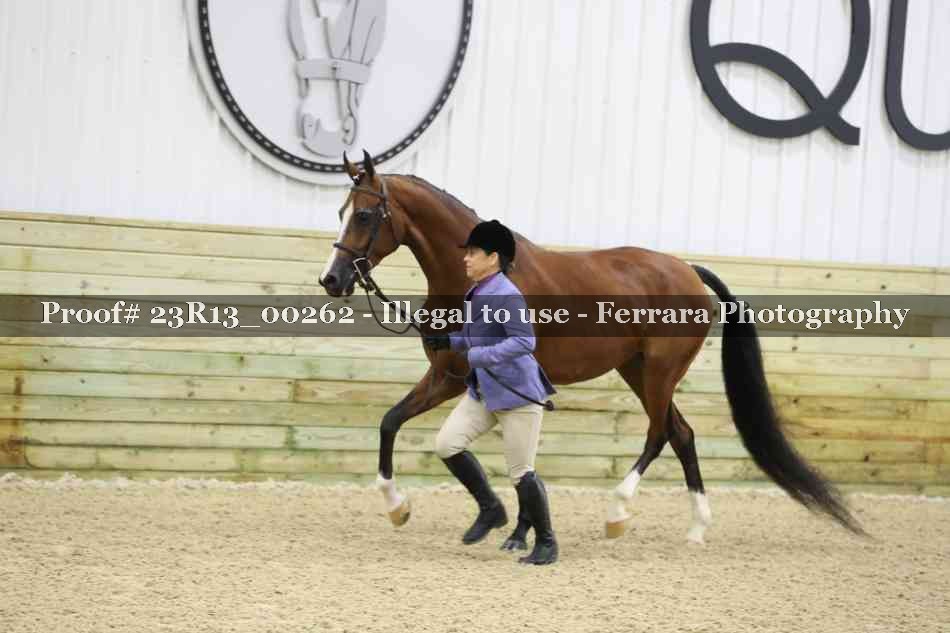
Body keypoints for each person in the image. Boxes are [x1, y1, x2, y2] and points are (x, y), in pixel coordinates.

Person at [423, 219, 559, 565]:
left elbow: (524, 341)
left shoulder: (507, 294)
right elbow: (477, 336)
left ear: (493, 257)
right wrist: (448, 340)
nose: (465, 259)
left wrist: (476, 356)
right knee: (446, 444)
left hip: (517, 396)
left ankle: (546, 543)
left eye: (473, 252)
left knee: (521, 472)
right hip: (484, 391)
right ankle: (491, 508)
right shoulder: (479, 291)